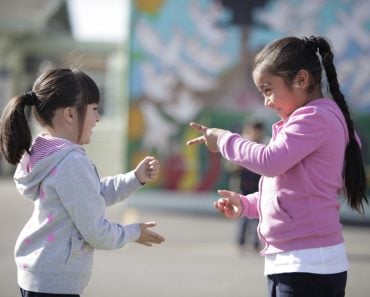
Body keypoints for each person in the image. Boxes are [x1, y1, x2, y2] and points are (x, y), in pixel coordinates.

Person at [187, 36, 368, 297]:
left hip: (308, 266)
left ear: (302, 80)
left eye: (268, 89)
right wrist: (247, 204)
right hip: (294, 263)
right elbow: (288, 190)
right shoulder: (312, 121)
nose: (266, 101)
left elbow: (269, 162)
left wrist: (225, 140)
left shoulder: (315, 118)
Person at [0, 67, 165, 297]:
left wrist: (134, 179)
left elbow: (91, 195)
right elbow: (97, 232)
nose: (98, 117)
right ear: (70, 114)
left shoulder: (46, 153)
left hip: (40, 274)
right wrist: (134, 233)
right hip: (54, 283)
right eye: (95, 109)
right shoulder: (70, 162)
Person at [229, 121, 265, 253]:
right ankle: (241, 242)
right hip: (244, 187)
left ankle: (256, 243)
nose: (254, 133)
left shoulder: (265, 146)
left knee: (258, 218)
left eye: (256, 130)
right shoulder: (243, 146)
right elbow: (232, 168)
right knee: (243, 216)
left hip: (258, 188)